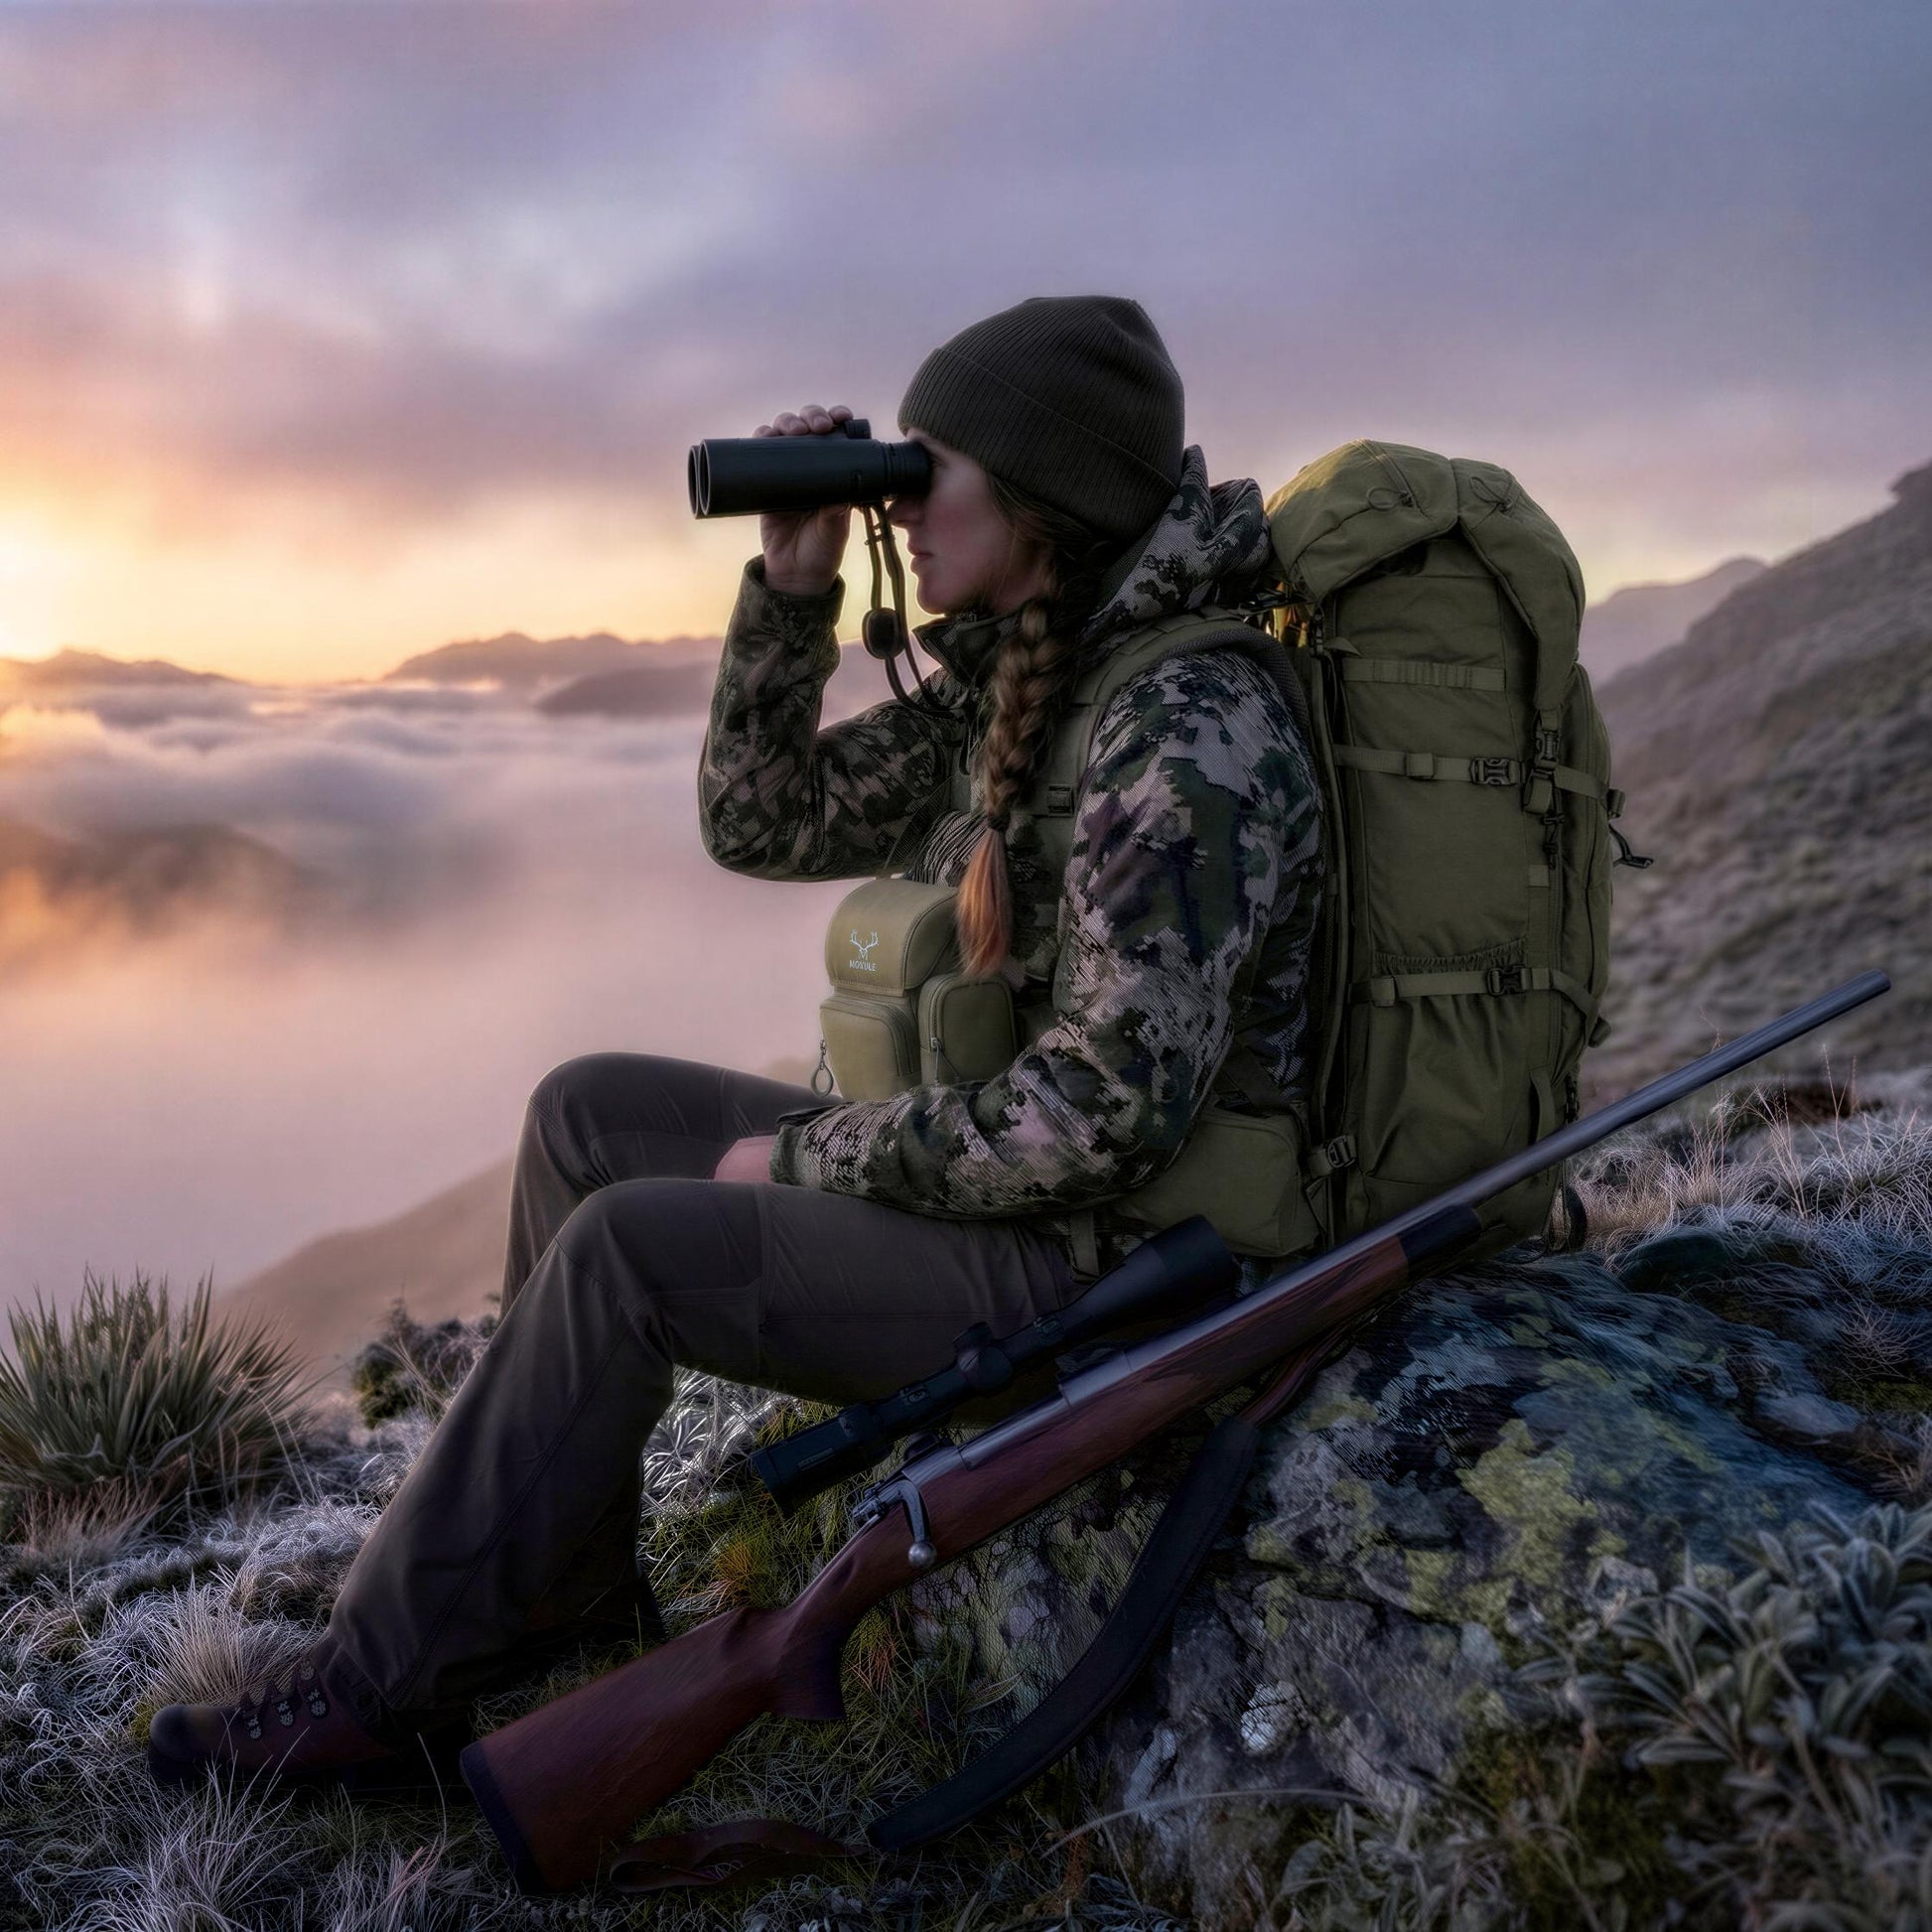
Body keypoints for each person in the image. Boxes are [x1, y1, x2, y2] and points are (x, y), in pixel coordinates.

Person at [146, 294, 1324, 1788]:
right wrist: (789, 592)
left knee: (632, 1251)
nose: (901, 495)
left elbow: (1104, 1114)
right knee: (589, 1113)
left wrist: (814, 1151)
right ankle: (549, 1587)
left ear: (1045, 498)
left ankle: (383, 1692)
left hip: (1125, 1260)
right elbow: (760, 822)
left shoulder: (1179, 723)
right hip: (1035, 1198)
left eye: (932, 465)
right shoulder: (1036, 674)